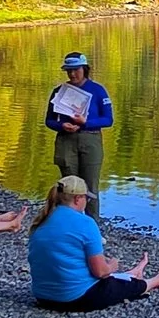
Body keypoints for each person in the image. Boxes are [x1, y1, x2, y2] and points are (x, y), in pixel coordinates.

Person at [26, 176, 159, 311]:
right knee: (112, 286)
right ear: (77, 199)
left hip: (43, 297)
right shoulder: (85, 223)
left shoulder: (41, 221)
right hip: (73, 299)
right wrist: (112, 266)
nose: (87, 202)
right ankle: (155, 281)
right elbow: (101, 272)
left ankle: (130, 274)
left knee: (96, 275)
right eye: (86, 198)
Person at [43, 52, 114, 219]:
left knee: (90, 187)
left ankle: (92, 227)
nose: (73, 74)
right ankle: (69, 224)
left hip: (91, 139)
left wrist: (86, 122)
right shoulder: (58, 92)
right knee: (68, 187)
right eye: (69, 70)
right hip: (66, 140)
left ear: (85, 69)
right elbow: (49, 120)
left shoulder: (98, 90)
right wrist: (62, 125)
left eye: (76, 70)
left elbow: (108, 120)